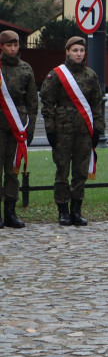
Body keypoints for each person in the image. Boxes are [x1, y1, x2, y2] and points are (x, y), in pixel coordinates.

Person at [39, 36, 104, 227]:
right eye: (75, 50)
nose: (79, 54)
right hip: (62, 131)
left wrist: (98, 129)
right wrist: (50, 129)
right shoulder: (57, 75)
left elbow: (97, 104)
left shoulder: (91, 75)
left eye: (82, 51)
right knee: (62, 171)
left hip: (84, 131)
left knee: (80, 172)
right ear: (67, 51)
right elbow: (47, 103)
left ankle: (76, 210)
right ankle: (63, 211)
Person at [0, 31, 37, 229]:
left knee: (13, 170)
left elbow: (32, 101)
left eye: (15, 45)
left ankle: (10, 212)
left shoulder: (26, 69)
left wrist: (30, 128)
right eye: (9, 45)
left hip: (17, 127)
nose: (13, 49)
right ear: (2, 47)